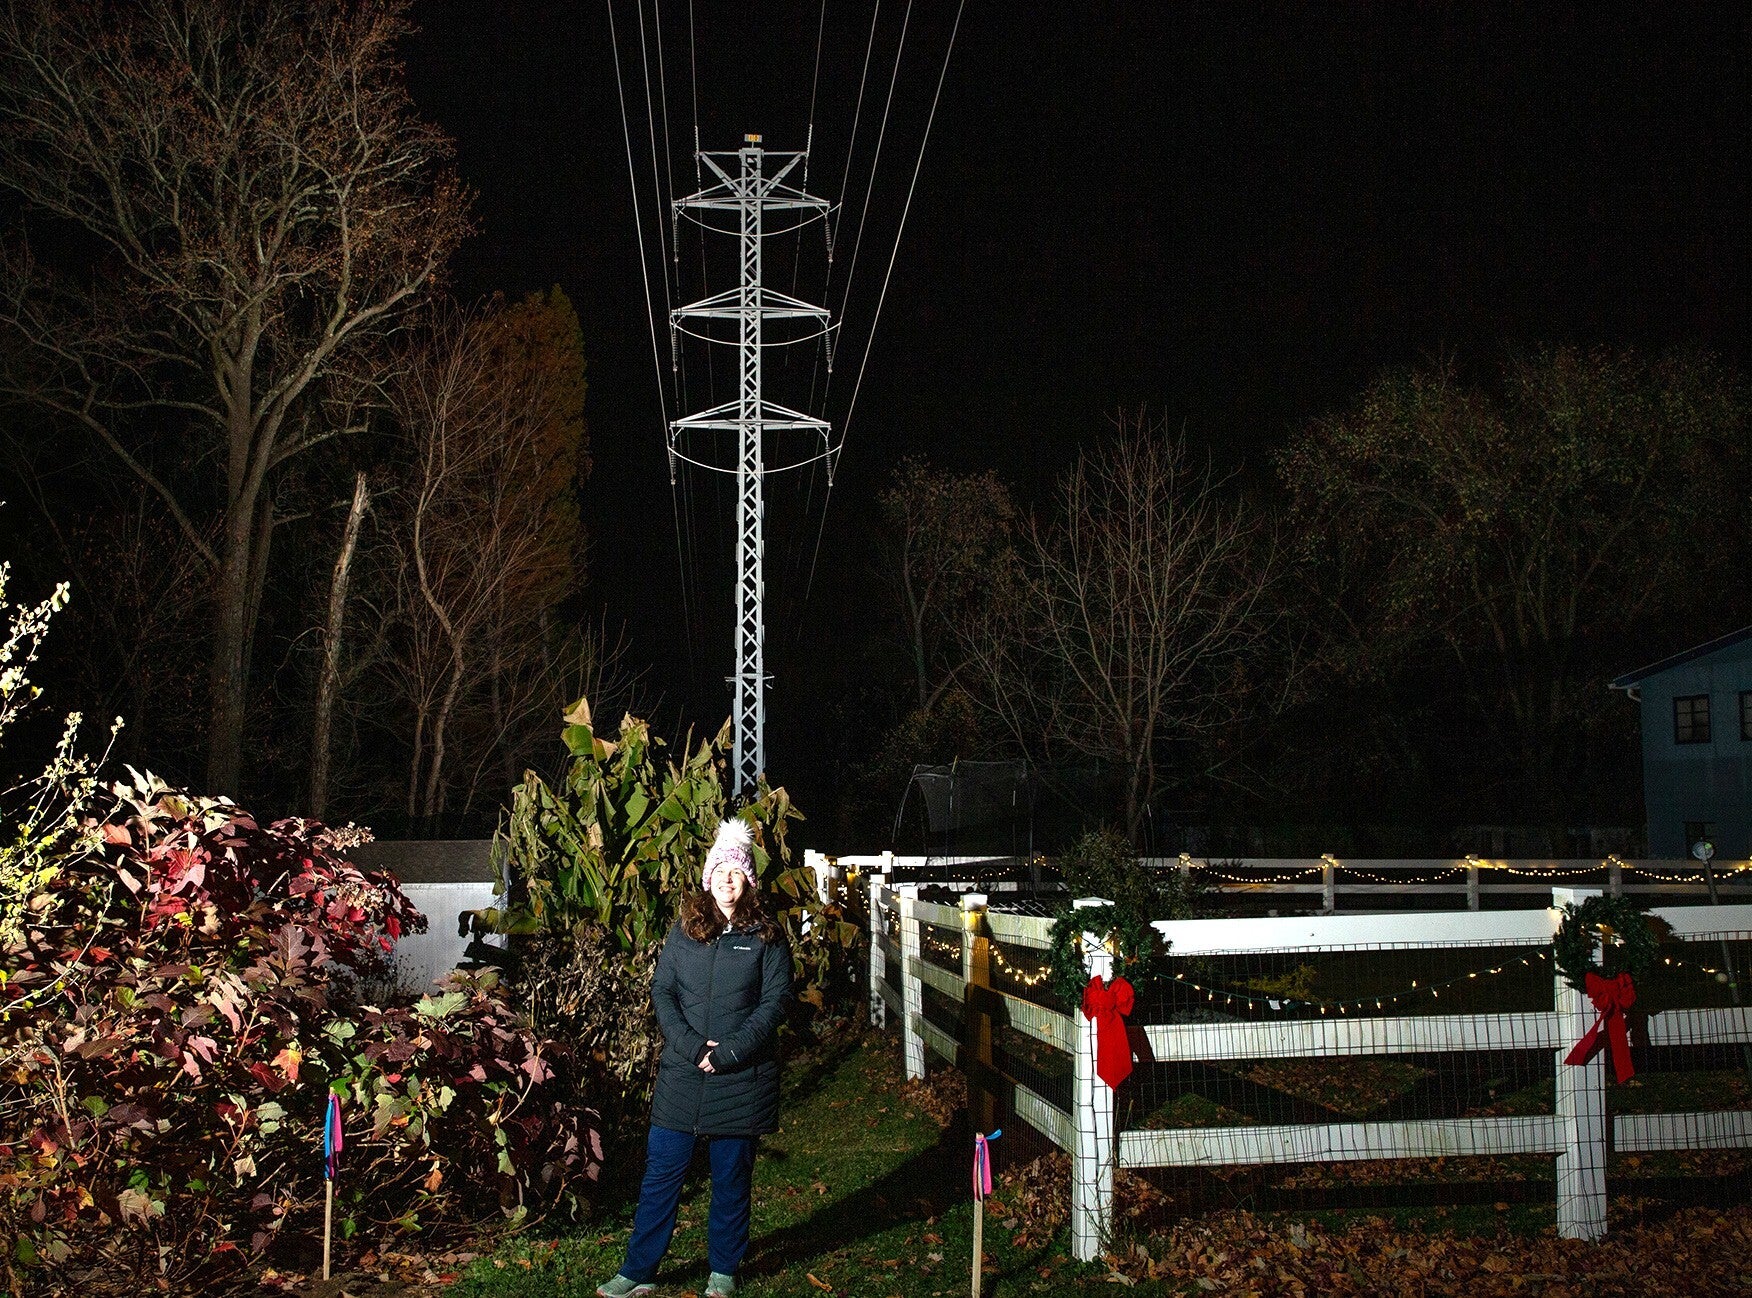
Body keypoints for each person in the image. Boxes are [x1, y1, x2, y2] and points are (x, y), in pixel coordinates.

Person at [597, 818, 793, 1298]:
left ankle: (723, 1271)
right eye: (721, 871)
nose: (728, 880)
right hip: (683, 1074)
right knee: (662, 1173)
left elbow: (775, 1004)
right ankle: (638, 1271)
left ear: (747, 880)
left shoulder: (766, 935)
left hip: (740, 1078)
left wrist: (729, 1052)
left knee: (730, 1179)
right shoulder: (685, 932)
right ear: (709, 878)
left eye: (737, 872)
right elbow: (662, 991)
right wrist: (688, 1045)